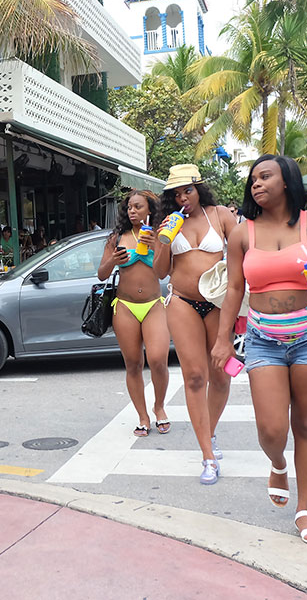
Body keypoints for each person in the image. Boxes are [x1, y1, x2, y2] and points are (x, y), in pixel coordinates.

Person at [211, 155, 307, 544]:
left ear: (286, 181)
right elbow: (235, 288)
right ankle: (277, 463)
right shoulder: (242, 233)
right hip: (263, 340)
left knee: (306, 424)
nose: (256, 184)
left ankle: (304, 509)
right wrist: (223, 340)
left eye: (265, 176)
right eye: (252, 179)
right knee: (271, 429)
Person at [155, 164, 237, 484]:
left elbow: (243, 252)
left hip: (217, 303)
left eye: (187, 191)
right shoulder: (169, 223)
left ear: (198, 189)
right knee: (194, 377)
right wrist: (164, 239)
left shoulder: (220, 215)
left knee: (221, 375)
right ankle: (207, 456)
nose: (182, 198)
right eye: (176, 194)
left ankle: (210, 431)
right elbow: (162, 271)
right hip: (182, 303)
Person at [98, 190, 171, 436]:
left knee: (159, 360)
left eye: (138, 207)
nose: (132, 211)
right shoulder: (117, 237)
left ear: (149, 210)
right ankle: (142, 416)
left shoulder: (160, 236)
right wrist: (113, 261)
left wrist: (156, 247)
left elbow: (163, 273)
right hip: (125, 307)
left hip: (153, 304)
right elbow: (102, 274)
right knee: (133, 364)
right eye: (129, 207)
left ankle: (159, 407)